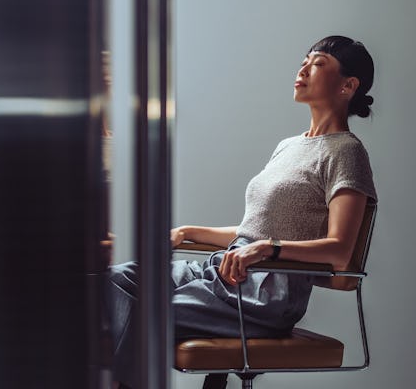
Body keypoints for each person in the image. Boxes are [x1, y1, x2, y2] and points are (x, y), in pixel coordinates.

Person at [107, 36, 377, 389]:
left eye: (319, 63)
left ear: (348, 85)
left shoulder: (346, 152)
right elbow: (255, 229)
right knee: (112, 282)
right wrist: (189, 231)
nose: (303, 68)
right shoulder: (289, 146)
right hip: (225, 268)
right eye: (304, 60)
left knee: (141, 317)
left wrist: (267, 248)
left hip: (263, 295)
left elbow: (339, 249)